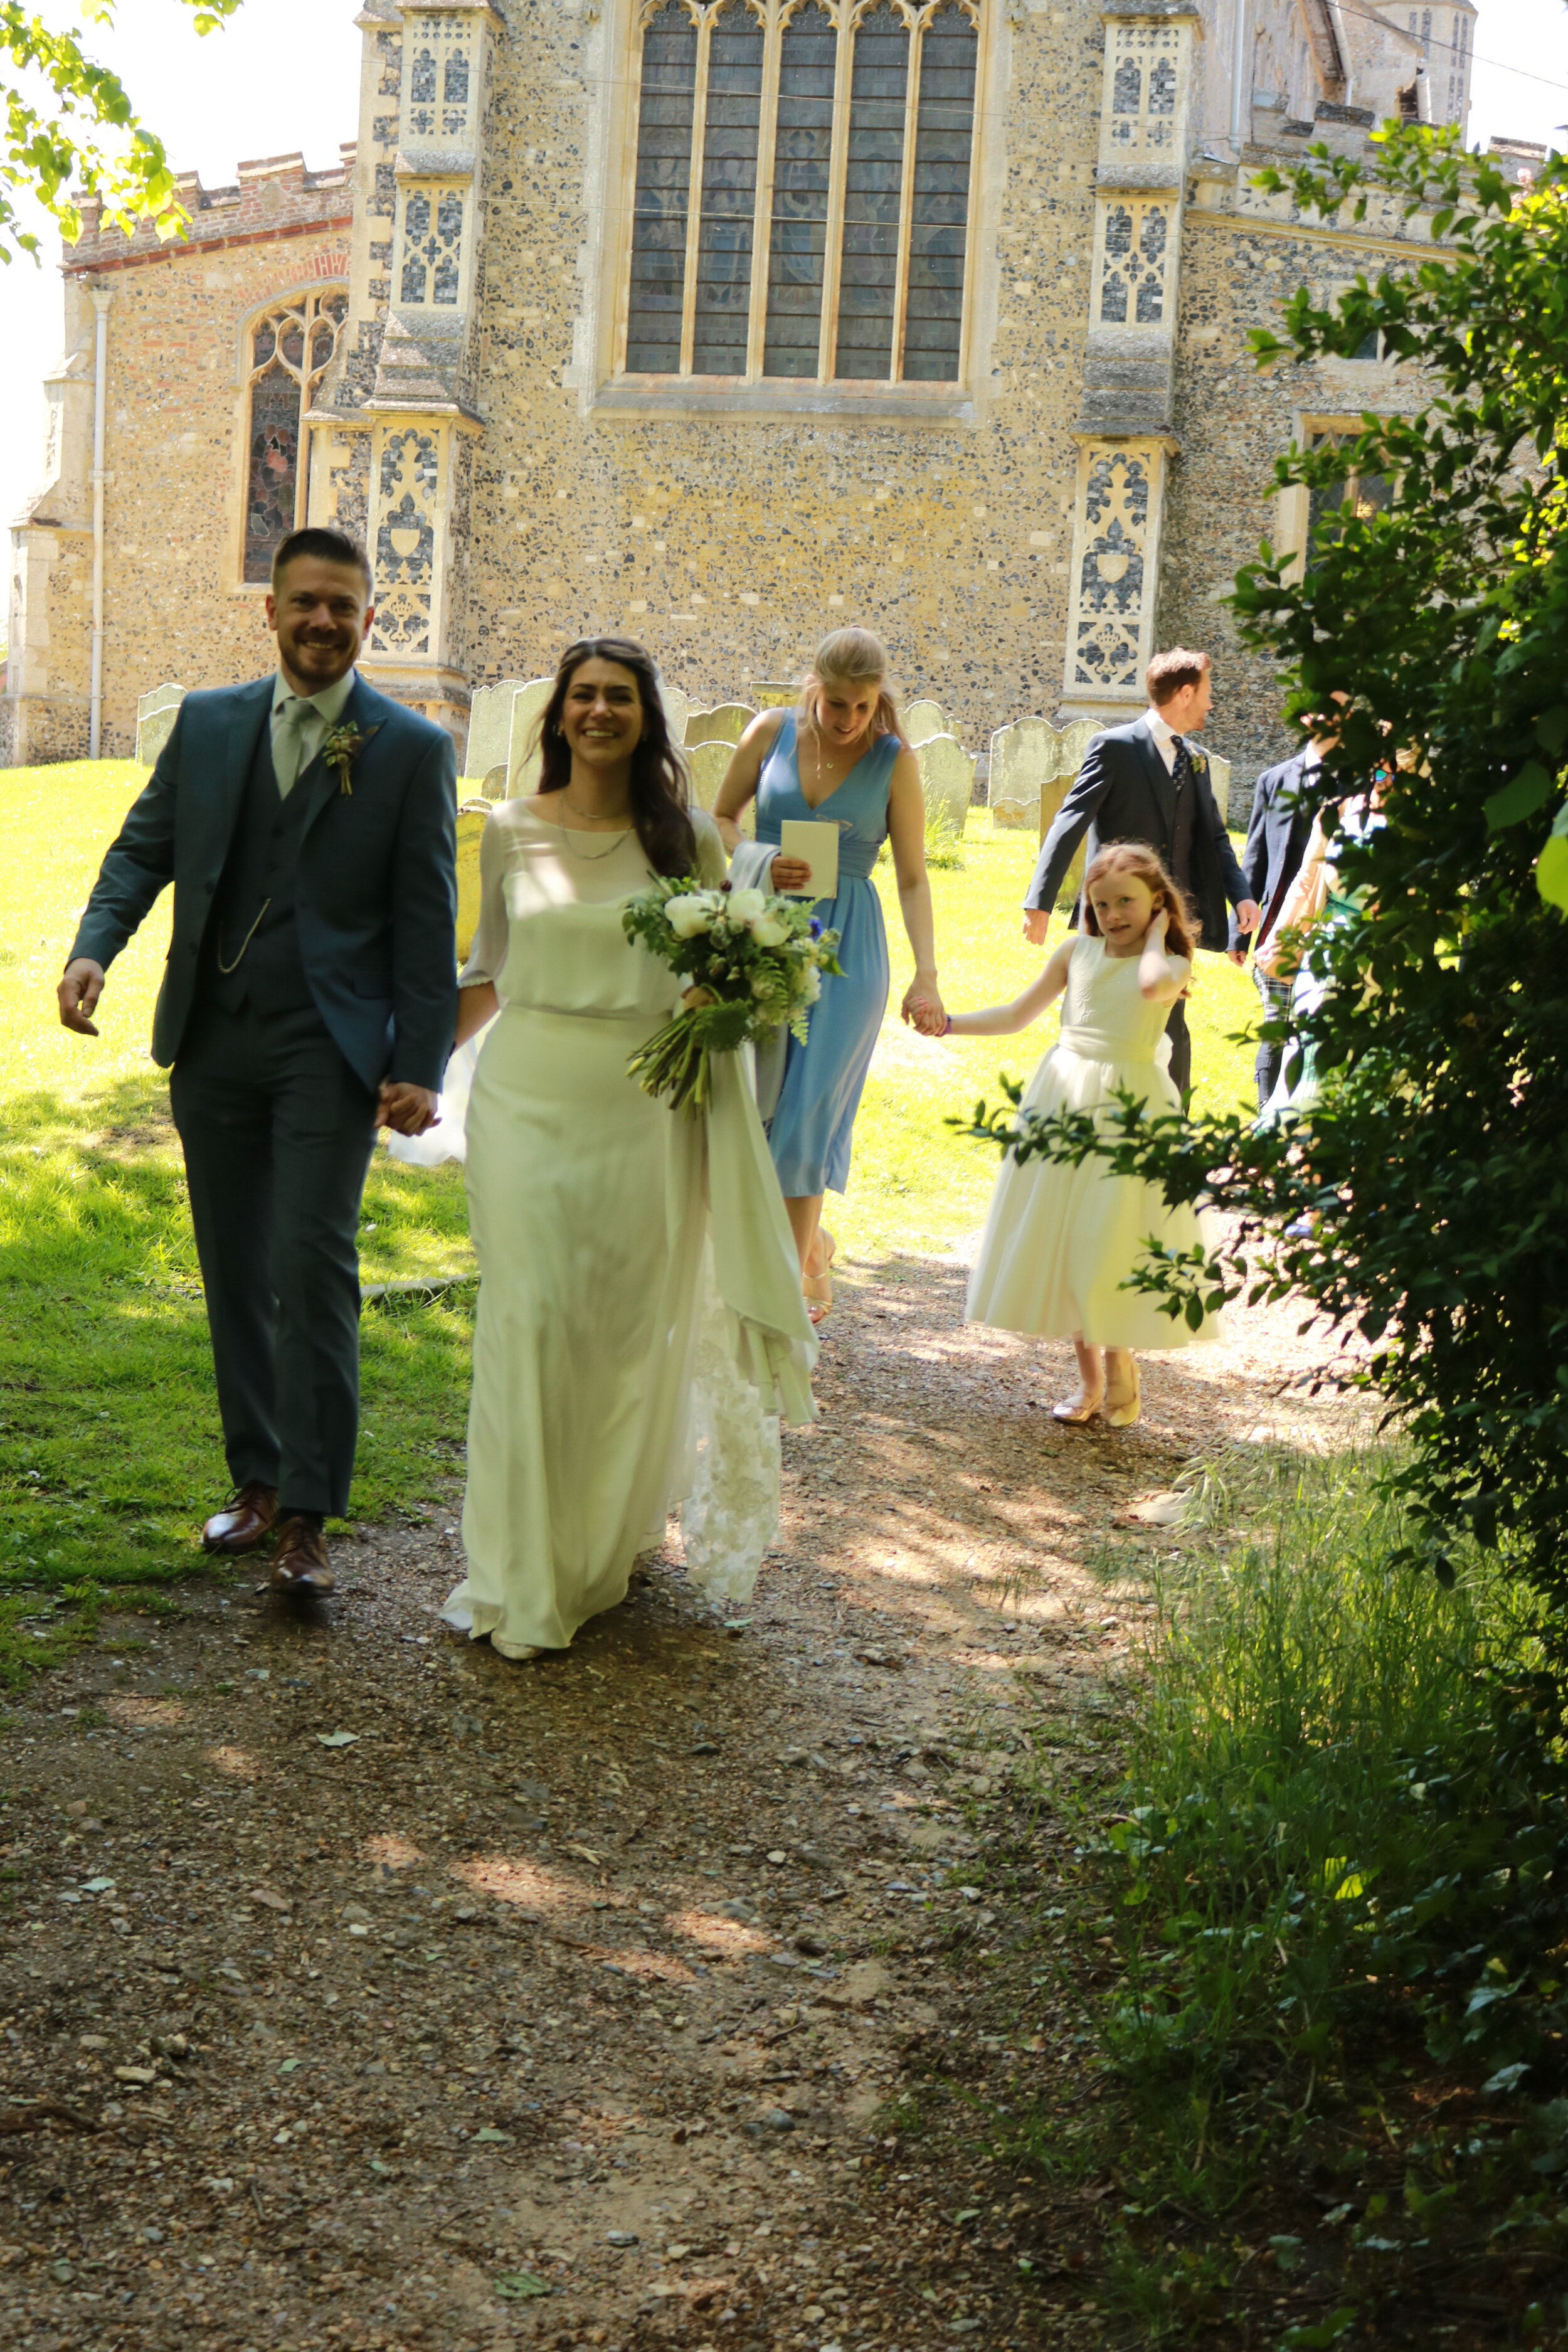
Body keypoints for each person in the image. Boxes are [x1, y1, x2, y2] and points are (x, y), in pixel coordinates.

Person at [56, 526, 458, 1597]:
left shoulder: (411, 750)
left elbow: (428, 923)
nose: (323, 621)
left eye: (344, 606)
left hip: (329, 1051)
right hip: (214, 1038)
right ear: (270, 612)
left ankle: (311, 1520)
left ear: (372, 621)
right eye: (305, 603)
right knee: (235, 1265)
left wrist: (421, 1063)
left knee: (311, 1264)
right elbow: (144, 847)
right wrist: (95, 948)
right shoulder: (209, 723)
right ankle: (258, 1481)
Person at [442, 637, 815, 1663]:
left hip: (647, 1105)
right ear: (557, 716)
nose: (598, 711)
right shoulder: (511, 832)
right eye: (582, 697)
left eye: (618, 697)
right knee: (528, 1314)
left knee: (614, 1329)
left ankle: (594, 1548)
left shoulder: (688, 839)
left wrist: (748, 948)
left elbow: (733, 968)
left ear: (644, 717)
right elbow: (487, 970)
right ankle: (516, 1570)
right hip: (523, 1098)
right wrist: (410, 1069)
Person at [713, 626, 944, 1321]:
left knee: (810, 1114)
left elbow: (910, 876)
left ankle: (776, 1301)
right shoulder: (768, 730)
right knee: (755, 1107)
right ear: (812, 687)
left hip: (850, 946)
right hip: (764, 928)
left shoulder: (893, 760)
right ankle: (812, 1252)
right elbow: (720, 818)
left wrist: (925, 974)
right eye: (836, 704)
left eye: (862, 707)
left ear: (879, 701)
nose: (847, 721)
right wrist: (754, 856)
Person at [950, 842, 1222, 1427]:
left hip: (1131, 1111)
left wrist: (1160, 935)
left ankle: (1120, 1354)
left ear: (1157, 904)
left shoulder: (1172, 965)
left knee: (1108, 1236)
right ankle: (1090, 1379)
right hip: (1066, 1098)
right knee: (1065, 1237)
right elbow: (1016, 1015)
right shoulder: (1076, 953)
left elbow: (1151, 987)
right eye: (1100, 905)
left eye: (1127, 902)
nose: (1113, 915)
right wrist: (949, 1024)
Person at [1023, 649, 1260, 1098]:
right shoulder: (1115, 748)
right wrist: (1040, 900)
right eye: (1207, 693)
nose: (1212, 703)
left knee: (1171, 1030)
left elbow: (1212, 837)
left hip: (1169, 921)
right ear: (1186, 692)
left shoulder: (1197, 760)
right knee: (1109, 1024)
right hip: (1115, 916)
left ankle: (1171, 1138)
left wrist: (1241, 895)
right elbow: (1071, 820)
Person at [1233, 699, 1345, 1108]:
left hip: (1334, 921)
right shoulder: (1274, 780)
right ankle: (1266, 1114)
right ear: (1306, 719)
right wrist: (1238, 936)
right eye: (1329, 711)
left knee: (1317, 1025)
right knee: (1277, 1023)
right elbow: (1256, 858)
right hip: (1284, 923)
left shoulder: (1361, 779)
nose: (1337, 720)